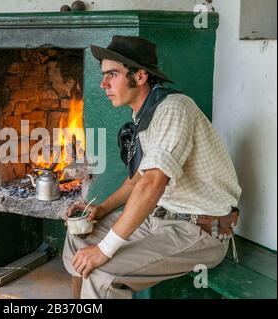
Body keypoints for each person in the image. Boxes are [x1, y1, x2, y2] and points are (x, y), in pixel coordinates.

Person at [62, 35, 242, 299]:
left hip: (199, 231)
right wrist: (100, 210)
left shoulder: (173, 109)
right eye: (104, 75)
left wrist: (104, 250)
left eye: (112, 74)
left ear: (141, 76)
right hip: (159, 220)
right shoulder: (145, 113)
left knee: (104, 274)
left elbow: (152, 183)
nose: (103, 84)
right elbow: (137, 179)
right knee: (79, 234)